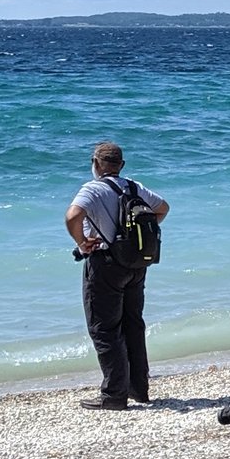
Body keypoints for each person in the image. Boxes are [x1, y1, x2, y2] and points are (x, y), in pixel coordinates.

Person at [65, 142, 168, 410]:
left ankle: (113, 395)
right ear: (121, 165)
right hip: (135, 264)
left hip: (105, 263)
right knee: (133, 324)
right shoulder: (134, 187)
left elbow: (72, 216)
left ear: (96, 164)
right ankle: (139, 389)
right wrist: (136, 236)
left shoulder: (93, 189)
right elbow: (163, 208)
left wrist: (82, 242)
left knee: (104, 328)